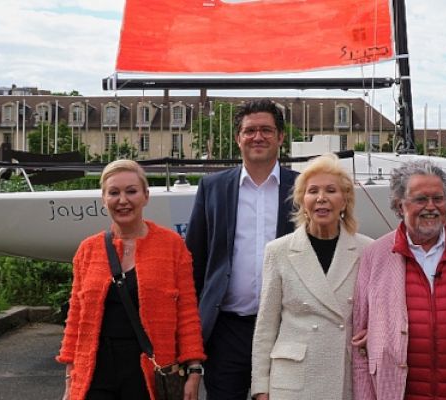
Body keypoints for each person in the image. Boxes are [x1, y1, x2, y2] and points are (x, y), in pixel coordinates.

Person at [350, 160, 446, 400]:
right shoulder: (376, 255)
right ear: (400, 205)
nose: (431, 207)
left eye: (438, 199)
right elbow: (359, 341)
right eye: (420, 199)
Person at [58, 159, 206, 400]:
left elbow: (187, 313)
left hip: (149, 368)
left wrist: (194, 370)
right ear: (103, 199)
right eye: (114, 193)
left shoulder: (172, 246)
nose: (123, 200)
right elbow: (75, 318)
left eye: (131, 191)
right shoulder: (88, 250)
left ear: (146, 196)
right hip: (95, 370)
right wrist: (69, 378)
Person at [184, 100, 299, 400]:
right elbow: (194, 260)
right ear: (238, 138)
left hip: (285, 329)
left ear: (280, 137)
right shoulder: (213, 187)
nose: (257, 137)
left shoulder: (302, 189)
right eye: (249, 131)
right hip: (227, 330)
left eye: (266, 130)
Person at [250, 154, 374, 400]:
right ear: (302, 201)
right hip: (292, 382)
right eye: (312, 191)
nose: (321, 198)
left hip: (345, 377)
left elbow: (378, 312)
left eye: (331, 190)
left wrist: (375, 331)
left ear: (345, 200)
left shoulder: (367, 250)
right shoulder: (278, 251)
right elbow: (266, 326)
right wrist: (260, 388)